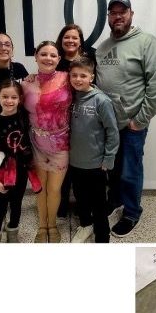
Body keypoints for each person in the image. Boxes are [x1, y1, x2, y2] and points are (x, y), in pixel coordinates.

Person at [95, 0, 156, 238]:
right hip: (108, 125)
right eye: (113, 13)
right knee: (112, 169)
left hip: (132, 124)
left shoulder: (147, 43)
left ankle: (132, 212)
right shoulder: (102, 48)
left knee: (129, 170)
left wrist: (140, 121)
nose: (118, 16)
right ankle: (115, 201)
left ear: (131, 14)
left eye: (122, 12)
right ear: (108, 17)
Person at [21, 40, 72, 243]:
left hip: (61, 144)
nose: (48, 58)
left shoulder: (68, 79)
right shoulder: (25, 83)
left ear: (59, 59)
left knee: (54, 189)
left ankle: (52, 224)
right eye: (44, 54)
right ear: (36, 56)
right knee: (40, 188)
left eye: (53, 55)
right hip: (36, 144)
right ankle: (42, 226)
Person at [67, 57, 119, 243]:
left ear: (92, 77)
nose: (78, 79)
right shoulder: (70, 98)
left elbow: (112, 132)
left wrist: (108, 158)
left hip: (96, 164)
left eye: (83, 75)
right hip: (74, 162)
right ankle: (85, 225)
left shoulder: (101, 101)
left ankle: (102, 235)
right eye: (74, 75)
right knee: (81, 199)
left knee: (98, 203)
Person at [0, 79, 34, 243]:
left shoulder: (24, 117)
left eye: (14, 97)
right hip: (1, 172)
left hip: (20, 170)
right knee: (0, 208)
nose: (9, 101)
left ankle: (13, 234)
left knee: (17, 204)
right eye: (5, 96)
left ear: (20, 99)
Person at [55, 23, 95, 218]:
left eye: (75, 37)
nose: (70, 41)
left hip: (83, 118)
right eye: (66, 37)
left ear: (80, 42)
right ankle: (61, 206)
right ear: (61, 41)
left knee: (81, 167)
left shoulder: (88, 61)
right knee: (62, 165)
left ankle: (83, 209)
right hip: (59, 122)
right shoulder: (55, 61)